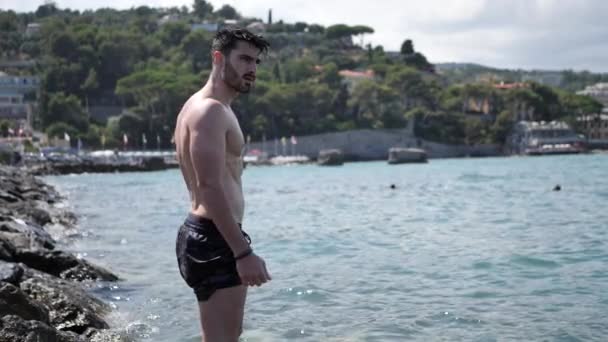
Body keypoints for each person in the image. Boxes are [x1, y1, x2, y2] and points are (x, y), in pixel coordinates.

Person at [173, 27, 272, 342]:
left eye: (256, 62)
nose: (252, 69)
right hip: (214, 237)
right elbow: (209, 186)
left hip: (208, 234)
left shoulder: (199, 105)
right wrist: (242, 253)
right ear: (218, 58)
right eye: (244, 59)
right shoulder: (210, 111)